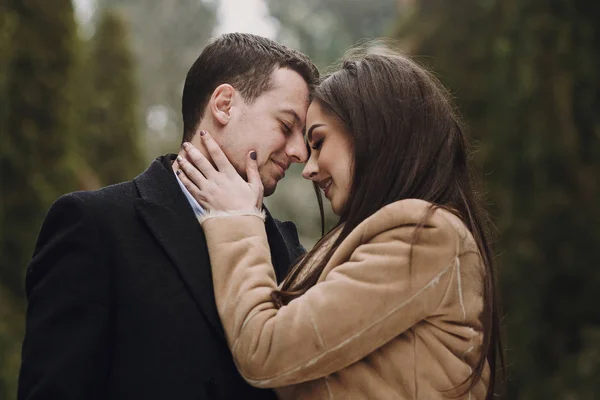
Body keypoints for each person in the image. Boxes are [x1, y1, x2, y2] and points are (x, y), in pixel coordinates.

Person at [175, 46, 504, 399]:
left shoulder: (426, 237)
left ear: (373, 134)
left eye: (317, 141)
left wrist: (237, 220)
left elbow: (265, 348)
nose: (309, 167)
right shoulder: (384, 237)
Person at [18, 33, 319, 400]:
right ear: (224, 104)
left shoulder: (288, 250)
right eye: (287, 126)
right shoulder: (95, 225)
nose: (300, 152)